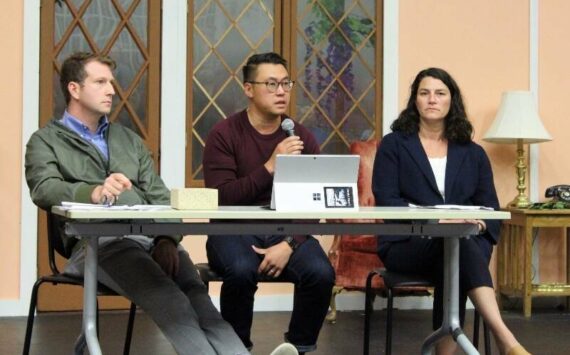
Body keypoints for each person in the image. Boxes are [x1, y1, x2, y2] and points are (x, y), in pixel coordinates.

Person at [25, 51, 297, 355]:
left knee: (198, 297)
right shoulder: (45, 141)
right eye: (100, 82)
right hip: (97, 243)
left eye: (111, 82)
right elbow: (44, 188)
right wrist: (94, 192)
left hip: (151, 239)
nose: (111, 90)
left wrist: (167, 237)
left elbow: (159, 196)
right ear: (74, 89)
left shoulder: (128, 140)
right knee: (171, 299)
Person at [372, 67, 531, 355]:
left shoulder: (472, 152)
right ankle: (507, 341)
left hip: (463, 242)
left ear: (451, 101)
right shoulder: (394, 145)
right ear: (415, 101)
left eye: (440, 93)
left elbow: (490, 207)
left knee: (456, 248)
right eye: (424, 93)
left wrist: (477, 225)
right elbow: (386, 200)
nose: (432, 99)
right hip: (408, 243)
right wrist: (437, 220)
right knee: (456, 250)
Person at [202, 52, 335, 354]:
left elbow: (315, 204)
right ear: (248, 88)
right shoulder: (223, 134)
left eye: (286, 84)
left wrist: (289, 243)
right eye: (271, 84)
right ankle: (236, 348)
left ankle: (298, 348)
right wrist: (270, 166)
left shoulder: (300, 136)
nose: (281, 92)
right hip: (232, 230)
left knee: (321, 273)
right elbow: (221, 198)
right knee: (240, 269)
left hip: (286, 231)